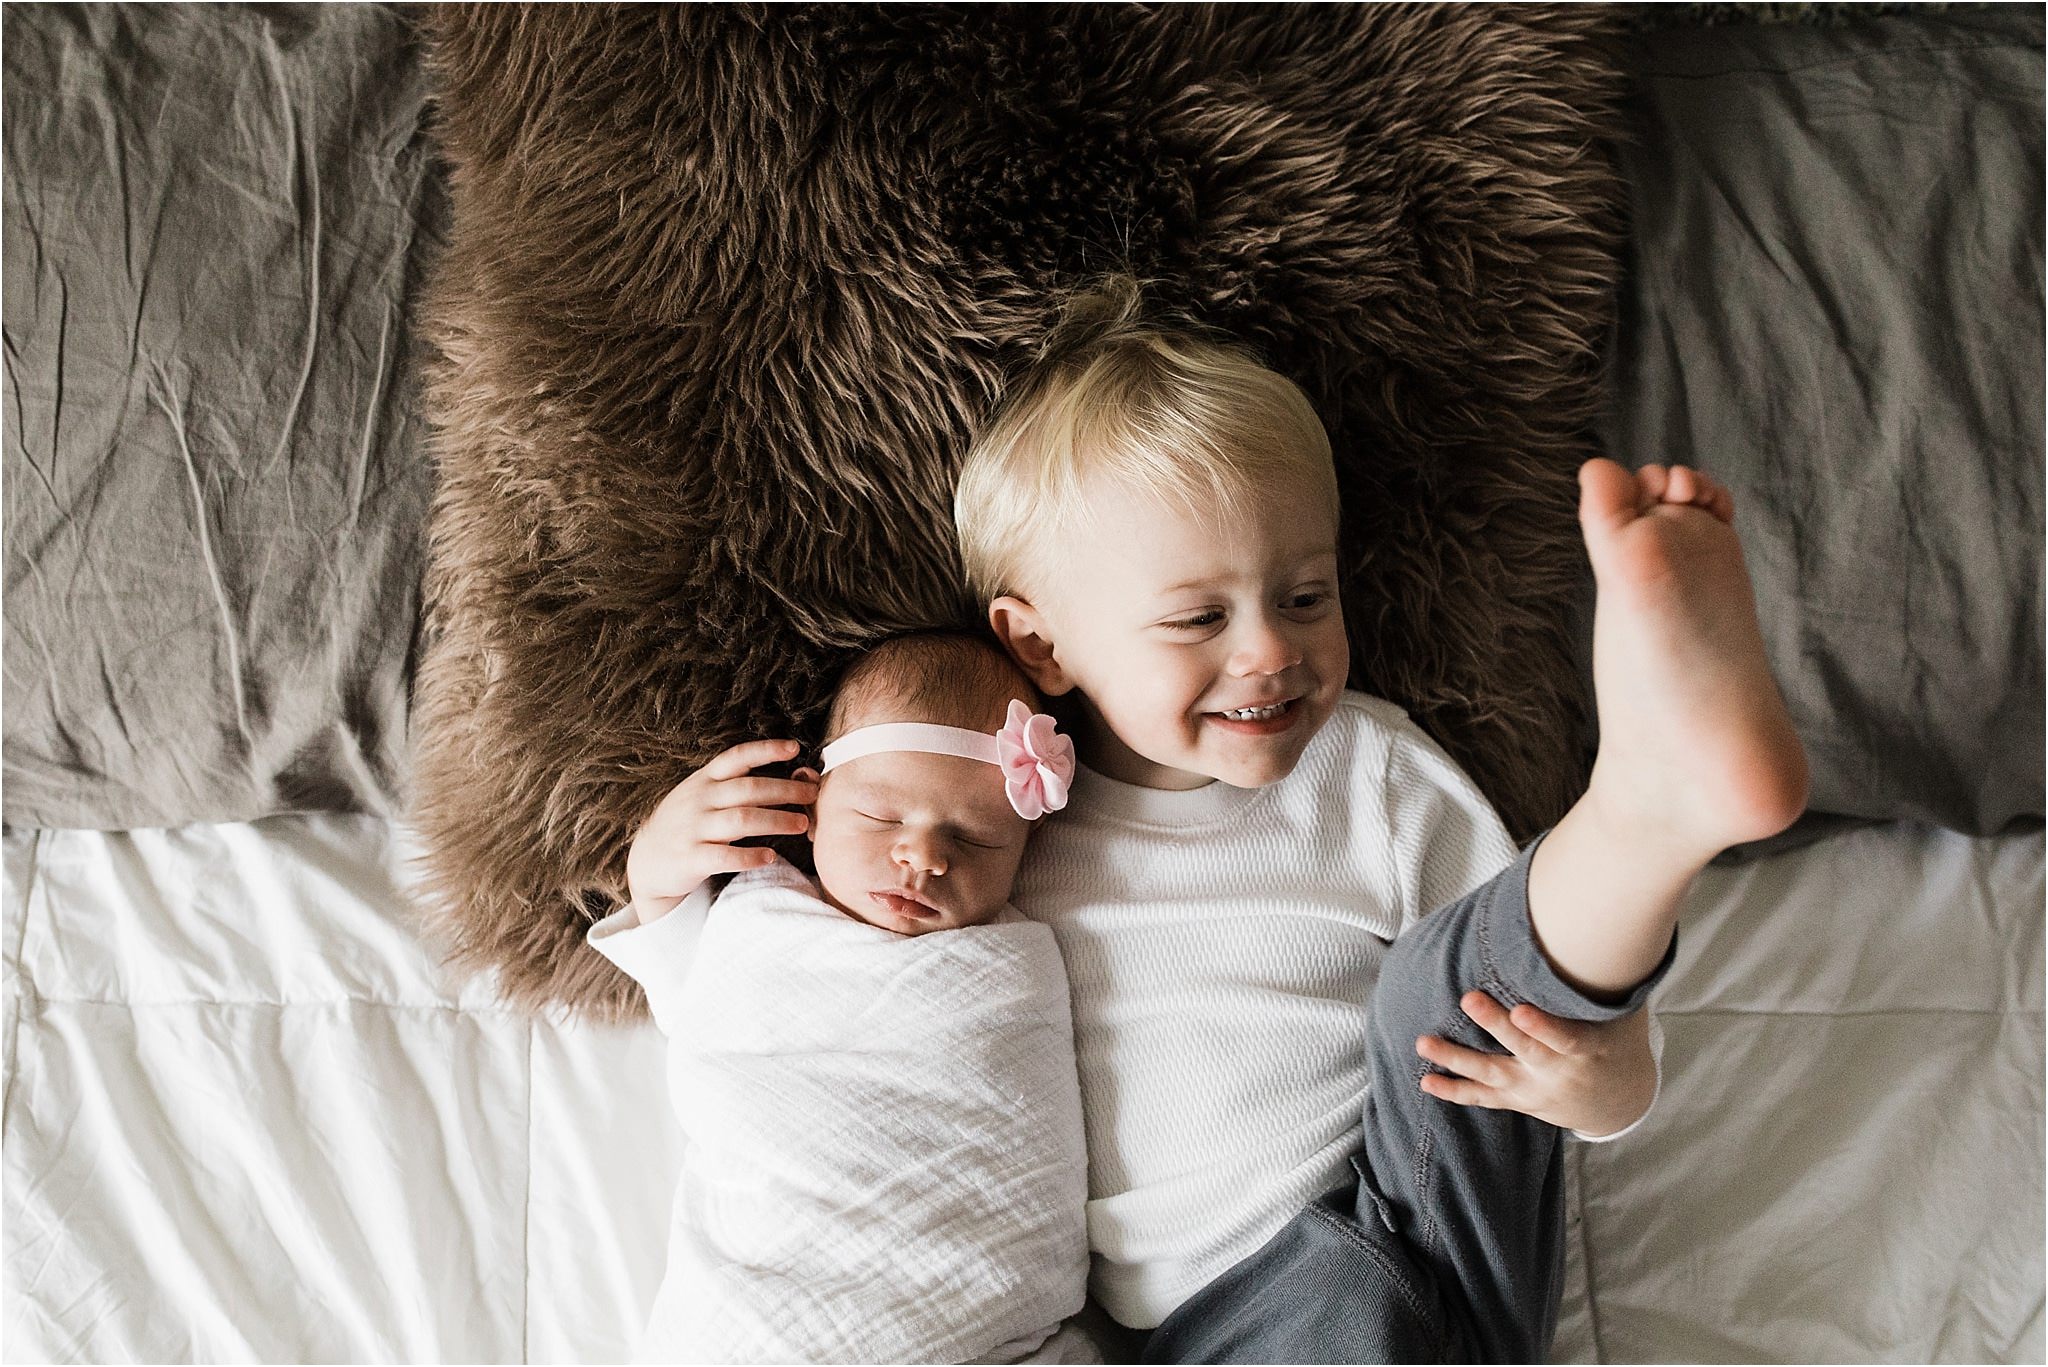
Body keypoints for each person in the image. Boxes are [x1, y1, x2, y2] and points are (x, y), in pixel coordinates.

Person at [952, 278, 1809, 1362]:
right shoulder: (1014, 824)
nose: (1267, 649)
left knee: (1435, 997)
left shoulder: (1366, 771)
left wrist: (1606, 1085)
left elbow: (1528, 973)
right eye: (1197, 617)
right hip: (1204, 1334)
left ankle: (1648, 808)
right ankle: (1650, 800)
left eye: (1305, 596)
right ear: (1039, 645)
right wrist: (671, 874)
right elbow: (860, 938)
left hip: (1420, 1217)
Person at [594, 632, 1099, 1364]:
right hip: (768, 1313)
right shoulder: (758, 921)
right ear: (814, 794)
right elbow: (673, 950)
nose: (924, 856)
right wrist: (659, 852)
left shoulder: (1012, 968)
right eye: (883, 817)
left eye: (976, 836)